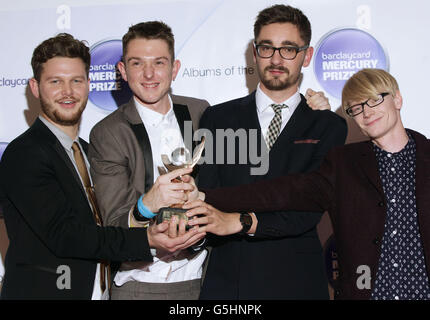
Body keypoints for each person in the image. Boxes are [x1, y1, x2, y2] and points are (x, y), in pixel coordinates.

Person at [188, 68, 430, 300]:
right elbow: (280, 192)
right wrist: (205, 196)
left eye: (374, 100)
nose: (366, 112)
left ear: (397, 99)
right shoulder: (344, 164)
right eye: (356, 107)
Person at [0, 33, 204, 300]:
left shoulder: (86, 150)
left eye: (76, 80)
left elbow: (106, 221)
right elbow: (65, 236)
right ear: (35, 87)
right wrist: (149, 240)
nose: (68, 92)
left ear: (87, 84)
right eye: (55, 82)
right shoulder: (25, 153)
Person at [195, 4, 347, 299]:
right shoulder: (218, 118)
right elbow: (208, 195)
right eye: (267, 48)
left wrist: (238, 220)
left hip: (297, 280)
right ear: (255, 53)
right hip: (229, 283)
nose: (276, 59)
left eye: (289, 49)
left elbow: (308, 208)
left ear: (307, 56)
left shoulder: (328, 127)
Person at [88, 21, 210, 300]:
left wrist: (311, 112)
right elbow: (114, 224)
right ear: (122, 71)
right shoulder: (108, 133)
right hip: (139, 283)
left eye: (159, 62)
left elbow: (244, 159)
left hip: (199, 280)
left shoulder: (200, 112)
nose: (149, 74)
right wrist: (147, 204)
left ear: (174, 68)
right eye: (137, 63)